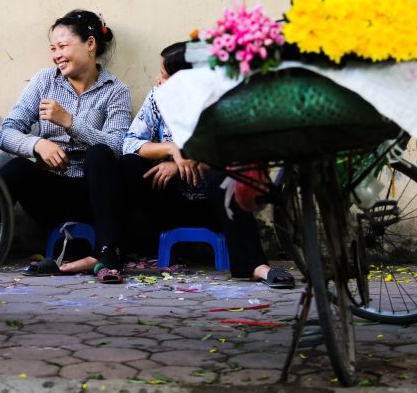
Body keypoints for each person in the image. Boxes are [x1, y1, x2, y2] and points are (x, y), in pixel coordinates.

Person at [120, 42, 294, 287]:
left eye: (165, 75)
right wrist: (173, 153)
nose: (158, 80)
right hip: (173, 203)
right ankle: (139, 246)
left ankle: (255, 265)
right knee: (130, 165)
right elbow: (130, 142)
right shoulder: (157, 98)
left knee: (228, 172)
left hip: (217, 207)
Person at [0, 9, 131, 283]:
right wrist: (37, 145)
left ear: (90, 44)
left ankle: (109, 256)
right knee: (16, 169)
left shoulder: (116, 91)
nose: (56, 54)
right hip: (52, 195)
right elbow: (6, 133)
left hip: (96, 199)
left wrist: (70, 122)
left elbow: (118, 146)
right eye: (53, 48)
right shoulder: (45, 81)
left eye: (63, 46)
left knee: (100, 154)